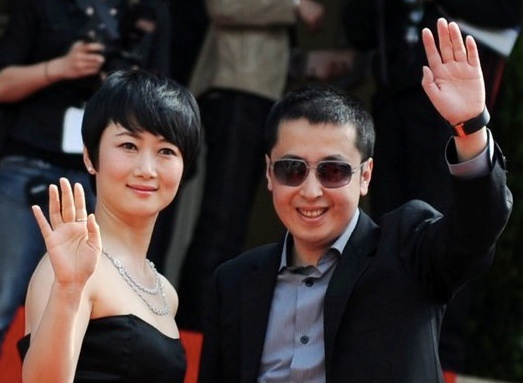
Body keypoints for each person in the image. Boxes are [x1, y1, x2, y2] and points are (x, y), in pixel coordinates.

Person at [197, 19, 512, 383]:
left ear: (365, 175)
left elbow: (477, 230)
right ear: (269, 174)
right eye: (291, 170)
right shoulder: (233, 283)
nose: (310, 191)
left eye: (332, 172)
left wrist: (470, 128)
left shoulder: (408, 252)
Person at [342, 0, 522, 375]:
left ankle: (443, 362)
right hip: (391, 96)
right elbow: (357, 28)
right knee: (387, 230)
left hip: (454, 106)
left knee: (451, 234)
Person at [0, 0, 172, 351]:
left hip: (104, 178)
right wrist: (59, 67)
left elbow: (160, 98)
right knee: (3, 294)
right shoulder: (42, 8)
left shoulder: (148, 14)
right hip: (30, 161)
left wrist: (121, 89)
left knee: (96, 310)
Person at [17, 69, 201, 383]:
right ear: (90, 157)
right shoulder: (69, 269)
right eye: (129, 145)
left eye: (166, 151)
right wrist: (68, 290)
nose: (147, 169)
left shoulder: (165, 292)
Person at [176, 0, 325, 331]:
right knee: (221, 222)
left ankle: (201, 330)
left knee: (228, 225)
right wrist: (296, 6)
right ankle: (193, 332)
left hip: (253, 91)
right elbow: (224, 7)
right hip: (235, 89)